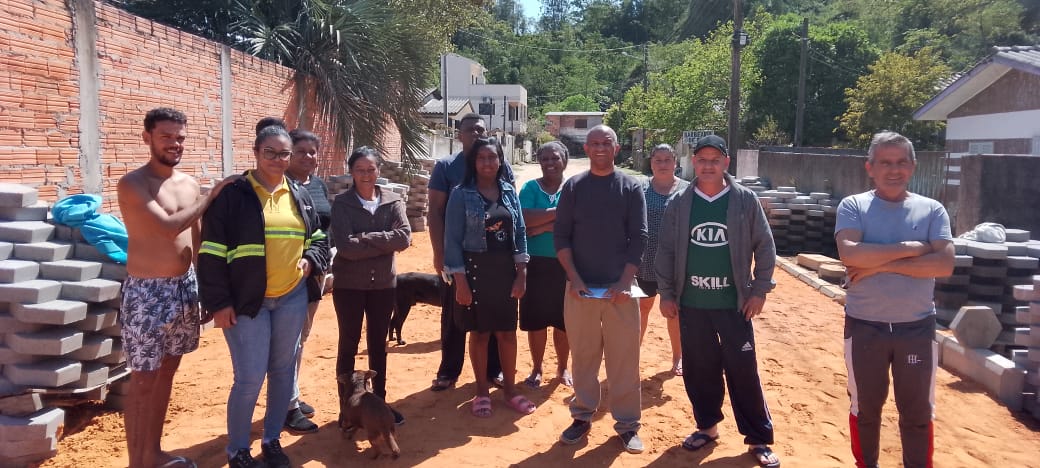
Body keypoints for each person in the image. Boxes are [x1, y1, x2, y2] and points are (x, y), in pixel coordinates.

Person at [198, 123, 330, 468]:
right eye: (269, 152)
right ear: (255, 154)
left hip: (291, 298)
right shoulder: (234, 194)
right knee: (250, 378)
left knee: (283, 371)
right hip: (246, 303)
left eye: (283, 153)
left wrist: (310, 261)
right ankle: (238, 449)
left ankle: (271, 440)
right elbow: (210, 252)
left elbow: (318, 238)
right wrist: (219, 303)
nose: (277, 159)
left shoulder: (298, 194)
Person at [655, 134, 779, 467]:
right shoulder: (680, 203)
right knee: (699, 369)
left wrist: (759, 290)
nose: (708, 165)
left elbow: (765, 248)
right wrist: (667, 293)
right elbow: (665, 251)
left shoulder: (744, 200)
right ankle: (707, 427)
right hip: (691, 304)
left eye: (715, 160)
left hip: (734, 304)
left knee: (743, 370)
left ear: (726, 163)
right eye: (702, 159)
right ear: (693, 162)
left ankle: (758, 438)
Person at [117, 107, 231, 468]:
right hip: (147, 295)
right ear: (147, 137)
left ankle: (153, 452)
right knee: (143, 380)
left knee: (167, 372)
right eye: (166, 136)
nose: (174, 143)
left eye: (180, 137)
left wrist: (208, 291)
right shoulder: (133, 183)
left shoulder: (189, 184)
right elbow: (168, 227)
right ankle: (138, 462)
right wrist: (211, 196)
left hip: (185, 288)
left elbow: (195, 240)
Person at [835, 131, 954, 468]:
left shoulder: (932, 210)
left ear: (913, 167)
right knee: (866, 409)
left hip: (915, 328)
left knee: (917, 414)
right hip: (864, 327)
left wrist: (876, 267)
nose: (894, 169)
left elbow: (944, 263)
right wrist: (912, 249)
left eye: (902, 162)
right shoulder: (854, 206)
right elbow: (849, 254)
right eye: (885, 163)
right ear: (869, 167)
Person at [554, 125, 647, 453]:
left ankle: (627, 424)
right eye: (593, 143)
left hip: (620, 291)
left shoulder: (631, 187)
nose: (599, 148)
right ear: (587, 148)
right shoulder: (574, 188)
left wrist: (624, 282)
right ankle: (582, 416)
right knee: (583, 358)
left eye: (605, 142)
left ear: (616, 148)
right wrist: (575, 279)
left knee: (624, 360)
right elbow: (561, 237)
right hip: (580, 291)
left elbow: (639, 238)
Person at [444, 137, 534, 417]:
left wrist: (521, 273)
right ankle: (481, 391)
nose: (488, 163)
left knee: (507, 333)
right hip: (475, 271)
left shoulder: (509, 191)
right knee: (481, 334)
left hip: (505, 271)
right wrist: (460, 281)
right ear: (474, 162)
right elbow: (452, 240)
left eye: (493, 157)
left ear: (500, 160)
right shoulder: (461, 194)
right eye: (482, 158)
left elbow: (519, 233)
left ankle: (510, 390)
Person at [428, 113, 514, 392]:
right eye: (469, 130)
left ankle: (493, 370)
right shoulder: (445, 167)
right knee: (454, 314)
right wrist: (440, 254)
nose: (475, 134)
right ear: (459, 134)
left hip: (493, 258)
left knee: (491, 314)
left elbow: (510, 211)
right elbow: (435, 212)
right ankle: (449, 371)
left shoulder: (502, 166)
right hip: (458, 256)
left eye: (480, 129)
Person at [330, 146, 410, 425]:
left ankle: (380, 404)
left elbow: (404, 238)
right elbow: (345, 247)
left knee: (378, 345)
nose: (366, 175)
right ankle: (347, 408)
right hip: (349, 287)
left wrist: (365, 237)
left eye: (371, 169)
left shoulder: (392, 200)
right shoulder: (342, 203)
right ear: (351, 172)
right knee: (348, 345)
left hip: (384, 286)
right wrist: (383, 243)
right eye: (360, 170)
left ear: (379, 170)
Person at [283, 128, 332, 434]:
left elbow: (324, 229)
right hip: (286, 276)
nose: (308, 157)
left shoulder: (318, 186)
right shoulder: (280, 187)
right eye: (301, 151)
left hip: (315, 272)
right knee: (288, 343)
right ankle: (287, 407)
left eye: (313, 152)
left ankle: (292, 396)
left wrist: (325, 265)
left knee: (301, 339)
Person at [518, 141, 571, 389]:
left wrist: (540, 225)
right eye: (545, 158)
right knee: (536, 321)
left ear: (564, 160)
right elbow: (522, 221)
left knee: (564, 322)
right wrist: (555, 218)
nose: (550, 163)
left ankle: (563, 368)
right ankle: (537, 368)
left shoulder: (573, 188)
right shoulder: (530, 187)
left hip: (566, 264)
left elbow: (576, 224)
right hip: (535, 265)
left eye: (555, 158)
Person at [637, 144, 688, 376]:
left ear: (675, 162)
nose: (663, 164)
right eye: (658, 160)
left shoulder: (687, 190)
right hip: (644, 261)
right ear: (651, 163)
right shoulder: (640, 188)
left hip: (676, 264)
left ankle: (678, 358)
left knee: (673, 312)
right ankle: (631, 356)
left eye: (668, 160)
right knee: (641, 309)